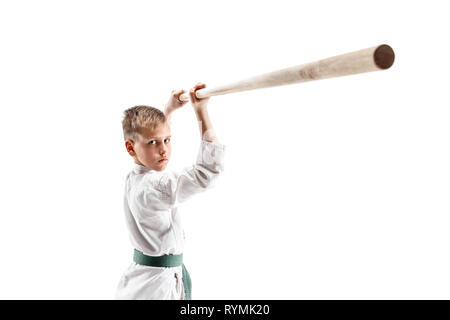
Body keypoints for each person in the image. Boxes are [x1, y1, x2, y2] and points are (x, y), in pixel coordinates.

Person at [115, 83, 225, 299]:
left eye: (167, 140)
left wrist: (169, 109)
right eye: (154, 143)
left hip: (152, 279)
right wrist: (201, 112)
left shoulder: (138, 177)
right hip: (156, 289)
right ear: (130, 148)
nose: (163, 149)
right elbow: (207, 173)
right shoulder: (151, 188)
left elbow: (149, 134)